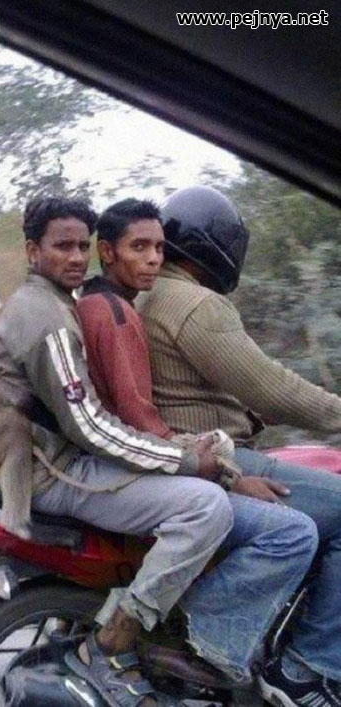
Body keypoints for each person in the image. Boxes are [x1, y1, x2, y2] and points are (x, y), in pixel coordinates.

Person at [0, 196, 317, 707]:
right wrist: (200, 466)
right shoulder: (64, 317)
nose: (75, 257)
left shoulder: (72, 304)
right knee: (208, 508)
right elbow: (94, 426)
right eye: (62, 247)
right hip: (57, 471)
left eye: (80, 246)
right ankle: (116, 641)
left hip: (60, 459)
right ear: (33, 251)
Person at [139, 185, 341, 706]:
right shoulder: (194, 304)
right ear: (213, 245)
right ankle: (307, 668)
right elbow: (272, 386)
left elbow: (216, 388)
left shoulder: (147, 295)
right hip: (214, 457)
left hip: (176, 455)